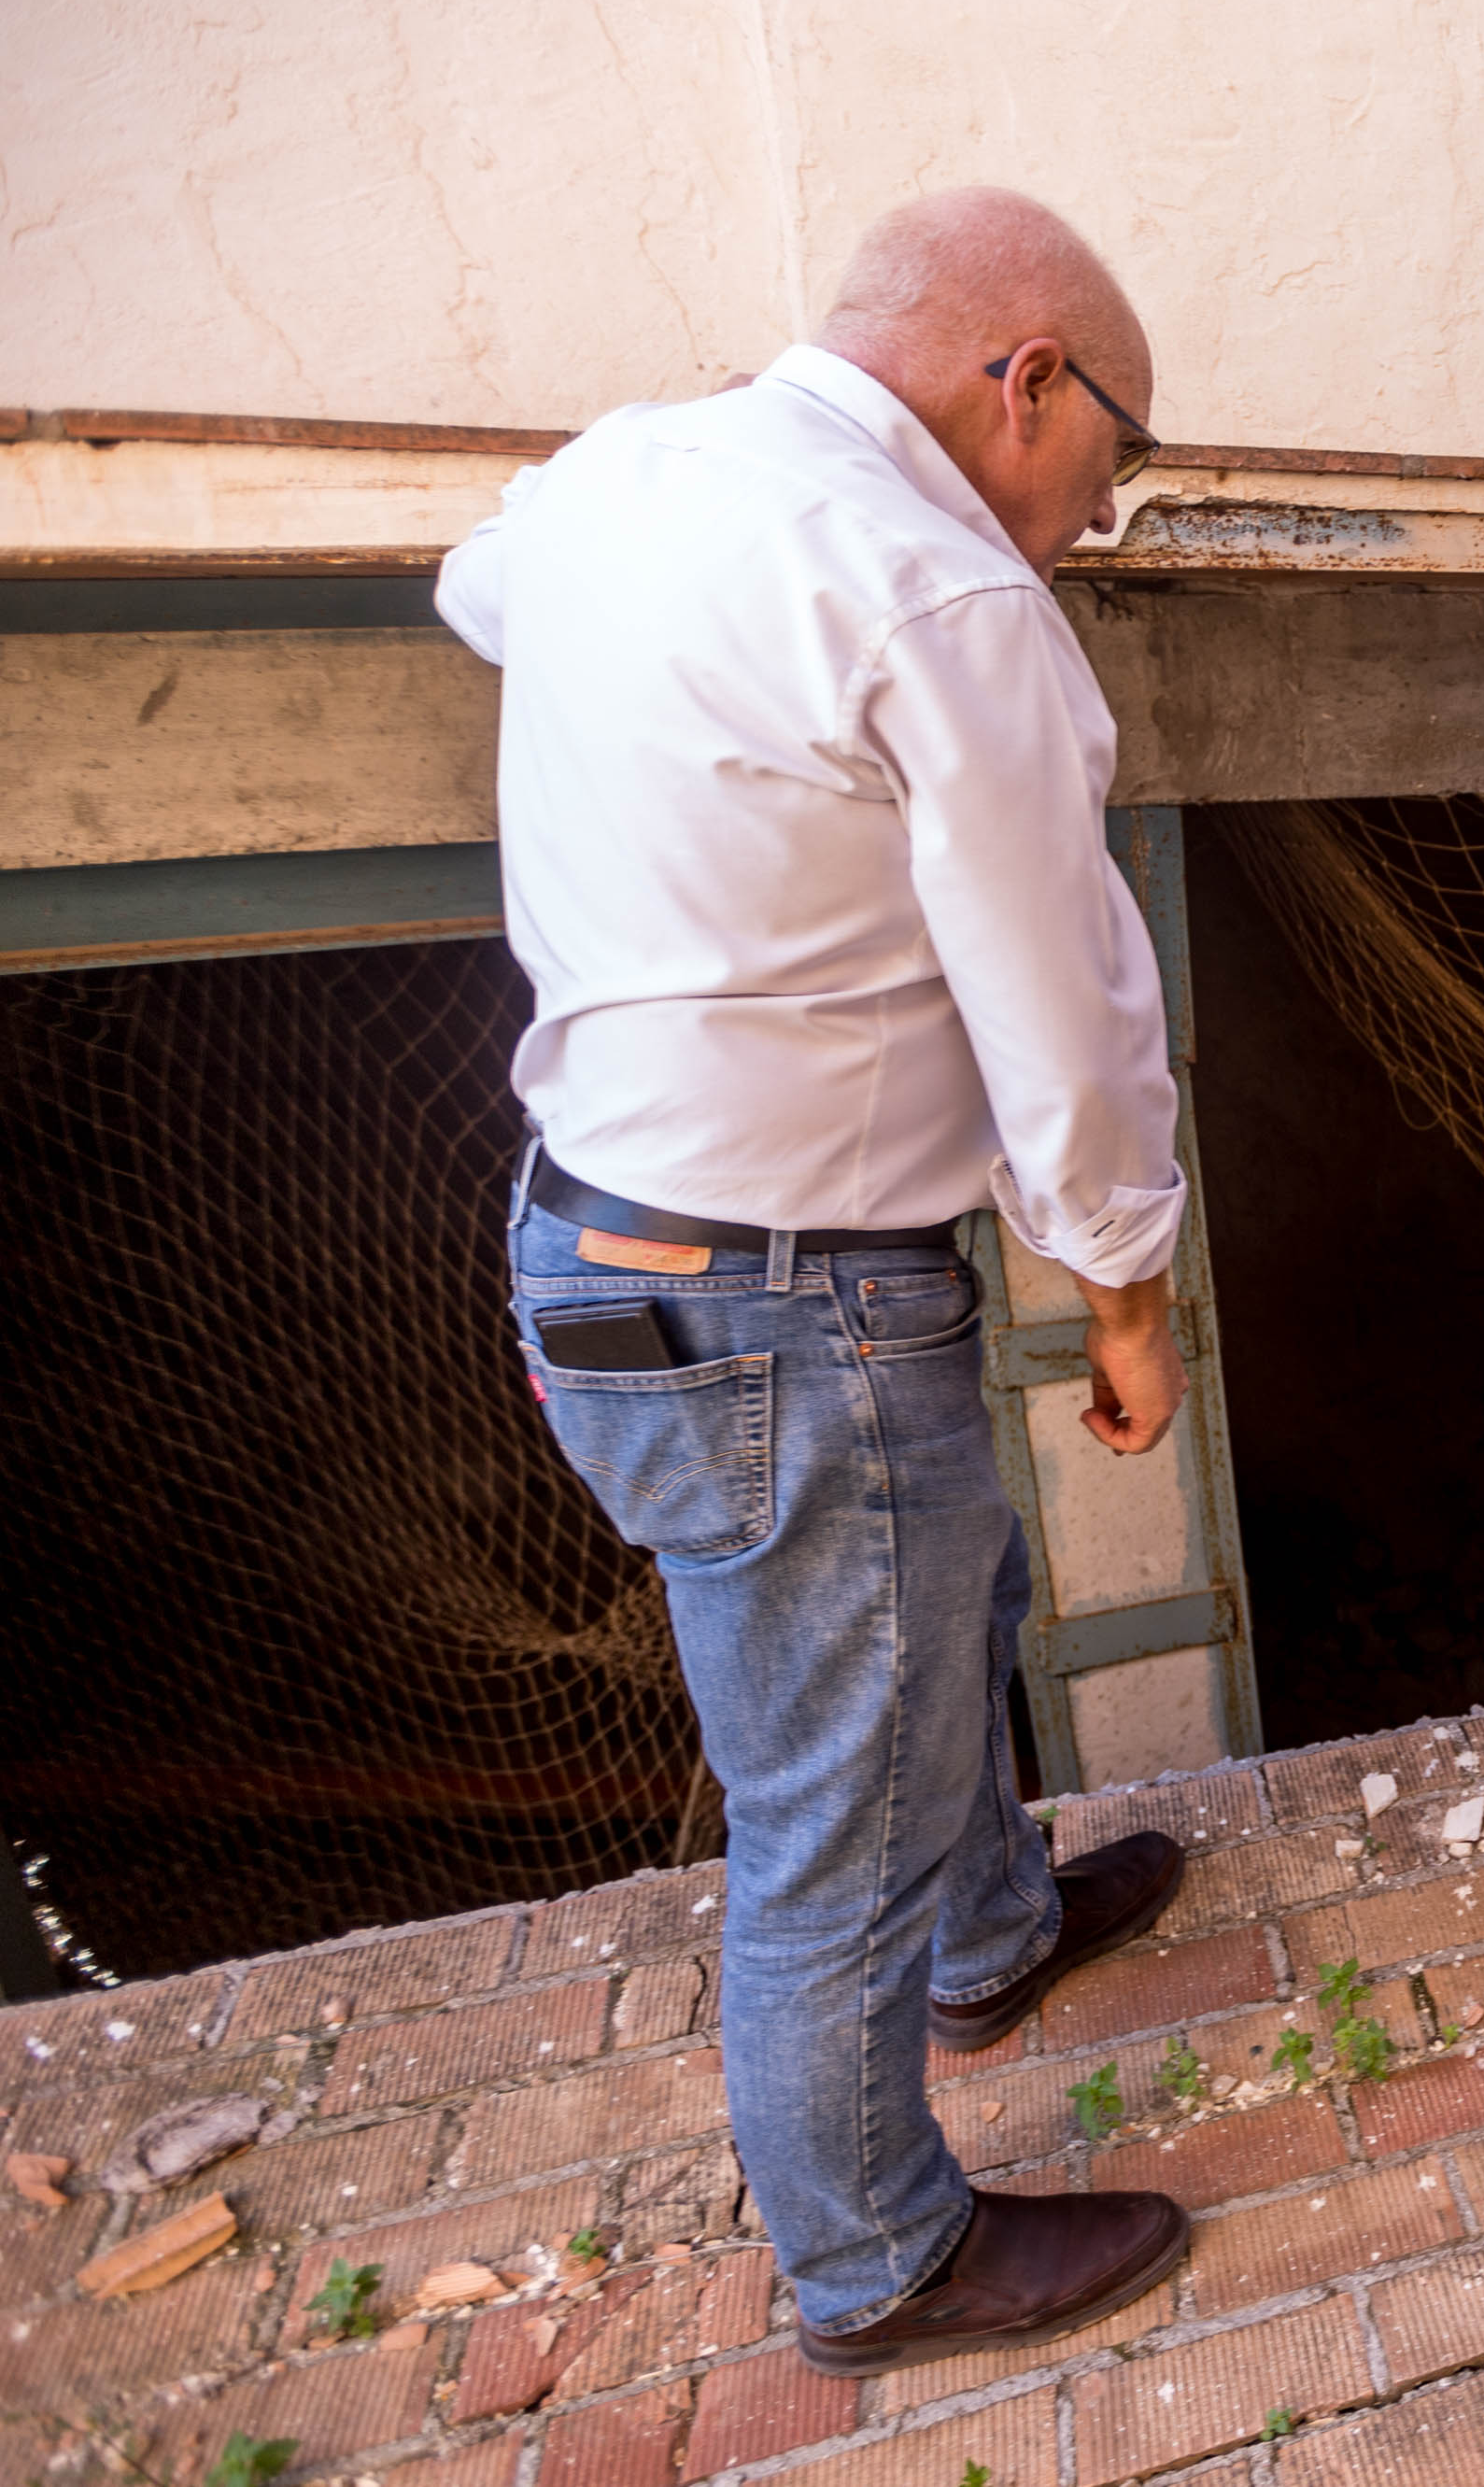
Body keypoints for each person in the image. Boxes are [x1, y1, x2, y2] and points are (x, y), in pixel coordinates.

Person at [439, 189, 1208, 2376]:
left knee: (933, 1617)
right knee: (828, 1816)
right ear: (1025, 377)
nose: (1101, 508)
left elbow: (471, 590)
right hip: (788, 1305)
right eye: (1114, 453)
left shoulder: (610, 484)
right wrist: (1127, 1300)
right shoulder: (942, 589)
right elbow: (1071, 1014)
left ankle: (993, 1929)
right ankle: (878, 2258)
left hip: (624, 1251)